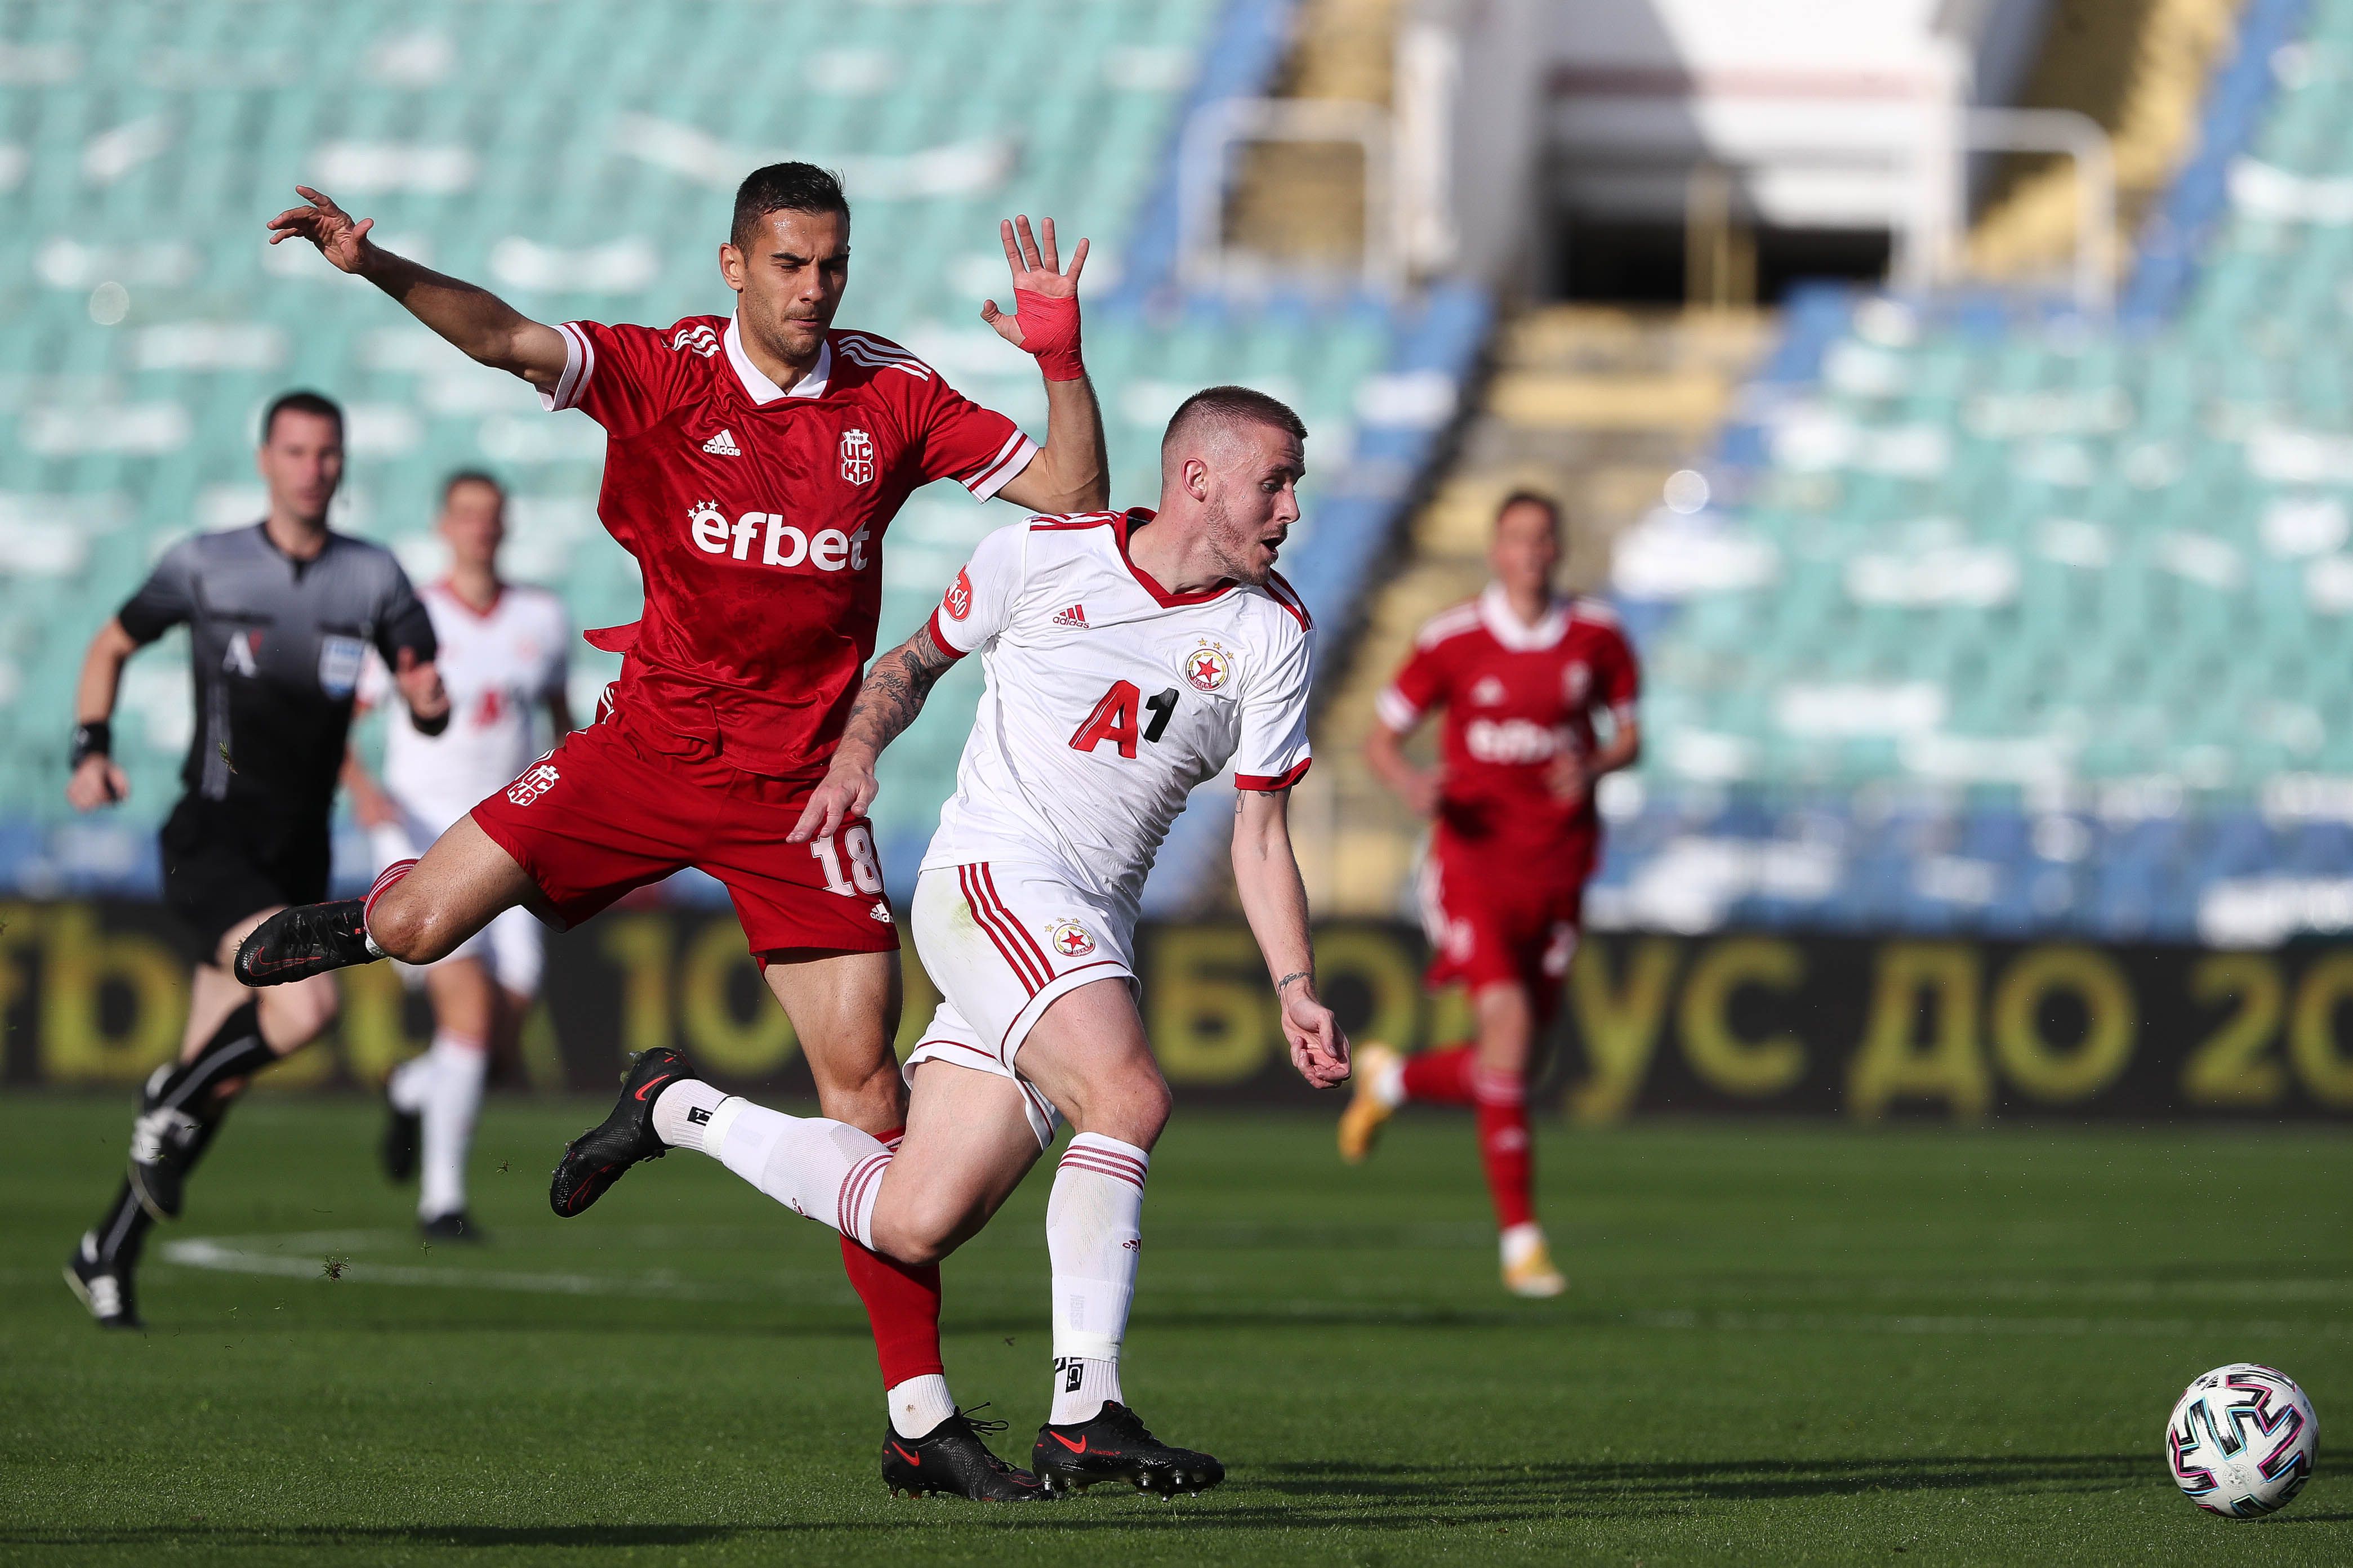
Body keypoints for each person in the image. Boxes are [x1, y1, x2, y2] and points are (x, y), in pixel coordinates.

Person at [240, 163, 1109, 1498]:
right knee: (419, 929)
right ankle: (361, 921)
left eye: (832, 264)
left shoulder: (892, 393)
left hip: (800, 793)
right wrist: (377, 264)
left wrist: (1061, 359)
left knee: (870, 1103)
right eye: (789, 264)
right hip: (640, 751)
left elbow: (1069, 495)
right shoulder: (662, 373)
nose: (814, 290)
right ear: (733, 265)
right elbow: (507, 335)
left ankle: (918, 1421)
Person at [543, 386, 1349, 1499]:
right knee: (1127, 1097)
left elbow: (1261, 831)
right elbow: (908, 665)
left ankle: (673, 1109)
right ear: (1197, 478)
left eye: (1295, 485)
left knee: (915, 1218)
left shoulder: (1271, 633)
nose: (1291, 509)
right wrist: (856, 753)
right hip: (992, 881)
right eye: (1276, 481)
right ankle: (1085, 1408)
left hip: (1083, 920)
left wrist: (1294, 982)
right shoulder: (1038, 557)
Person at [62, 391, 451, 1329]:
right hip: (212, 837)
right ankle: (170, 1098)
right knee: (305, 1002)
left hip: (298, 851)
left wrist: (430, 701)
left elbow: (421, 685)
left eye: (328, 453)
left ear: (343, 465)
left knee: (215, 1077)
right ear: (266, 459)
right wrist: (90, 747)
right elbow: (113, 641)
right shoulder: (206, 563)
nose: (313, 468)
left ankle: (105, 1248)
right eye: (296, 450)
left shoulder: (375, 576)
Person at [1338, 490, 1641, 1298]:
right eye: (1516, 539)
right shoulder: (1452, 640)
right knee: (1505, 1027)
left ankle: (1392, 1080)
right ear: (1495, 550)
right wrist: (1411, 782)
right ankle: (1521, 1244)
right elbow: (1378, 738)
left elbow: (1629, 733)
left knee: (1515, 1060)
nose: (1531, 553)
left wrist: (1597, 765)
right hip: (1471, 865)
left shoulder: (1599, 638)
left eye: (1544, 538)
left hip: (1559, 869)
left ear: (1559, 547)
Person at [342, 470, 573, 1240]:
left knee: (498, 1039)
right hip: (421, 831)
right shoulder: (412, 615)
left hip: (510, 832)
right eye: (466, 514)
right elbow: (345, 718)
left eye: (492, 515)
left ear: (505, 525)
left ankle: (413, 1086)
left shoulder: (542, 615)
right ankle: (442, 1201)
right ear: (445, 524)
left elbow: (565, 724)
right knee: (468, 1012)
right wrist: (363, 790)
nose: (480, 527)